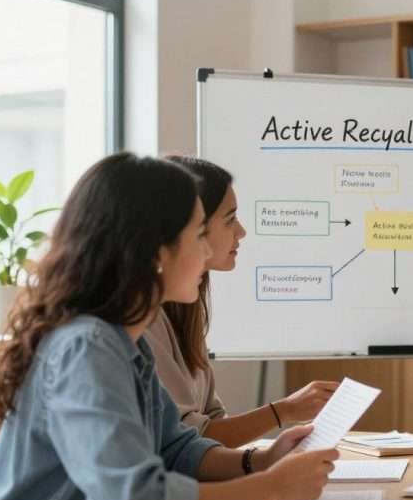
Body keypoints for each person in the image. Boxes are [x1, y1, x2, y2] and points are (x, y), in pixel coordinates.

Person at [0, 153, 338, 500]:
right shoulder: (87, 348)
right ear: (156, 252)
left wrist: (259, 462)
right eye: (197, 236)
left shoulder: (125, 340)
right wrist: (272, 487)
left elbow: (174, 447)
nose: (207, 254)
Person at [143, 156, 337, 448]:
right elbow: (186, 441)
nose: (241, 232)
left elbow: (209, 424)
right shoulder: (141, 321)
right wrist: (282, 413)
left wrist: (266, 460)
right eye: (230, 220)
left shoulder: (187, 304)